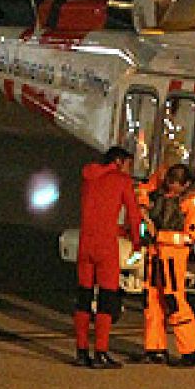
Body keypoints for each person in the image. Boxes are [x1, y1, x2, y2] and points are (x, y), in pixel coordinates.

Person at [73, 146, 143, 369]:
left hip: (85, 243)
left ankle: (81, 350)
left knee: (83, 297)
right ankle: (101, 352)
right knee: (107, 298)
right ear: (120, 162)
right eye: (129, 164)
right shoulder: (121, 181)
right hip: (105, 246)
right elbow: (134, 215)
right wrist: (136, 241)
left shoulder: (89, 177)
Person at [137, 163, 195, 367]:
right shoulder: (162, 181)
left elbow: (189, 237)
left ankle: (192, 351)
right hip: (155, 252)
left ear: (185, 185)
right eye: (169, 185)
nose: (170, 190)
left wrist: (158, 235)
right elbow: (143, 188)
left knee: (175, 301)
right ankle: (155, 349)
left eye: (175, 186)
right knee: (151, 300)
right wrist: (143, 206)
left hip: (173, 256)